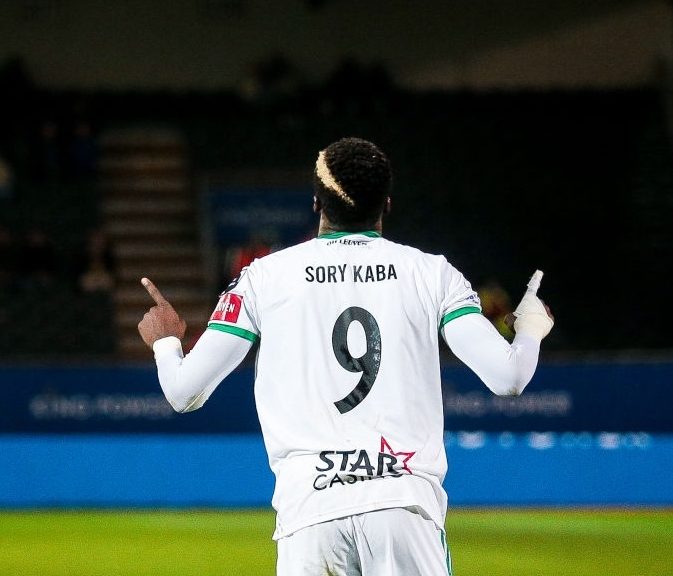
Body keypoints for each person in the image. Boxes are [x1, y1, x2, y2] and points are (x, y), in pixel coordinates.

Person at [138, 137, 554, 576]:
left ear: (317, 202)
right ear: (387, 203)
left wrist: (166, 341)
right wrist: (531, 327)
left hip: (310, 516)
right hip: (403, 507)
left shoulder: (263, 278)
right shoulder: (433, 274)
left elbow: (183, 392)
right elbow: (509, 377)